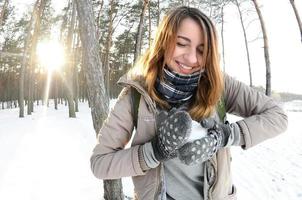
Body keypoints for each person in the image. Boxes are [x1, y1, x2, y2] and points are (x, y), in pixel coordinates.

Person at [90, 6, 288, 200]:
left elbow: (277, 116)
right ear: (164, 41)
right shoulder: (135, 96)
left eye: (202, 51)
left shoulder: (219, 84)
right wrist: (155, 151)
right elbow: (100, 163)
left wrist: (223, 137)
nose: (192, 58)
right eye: (182, 44)